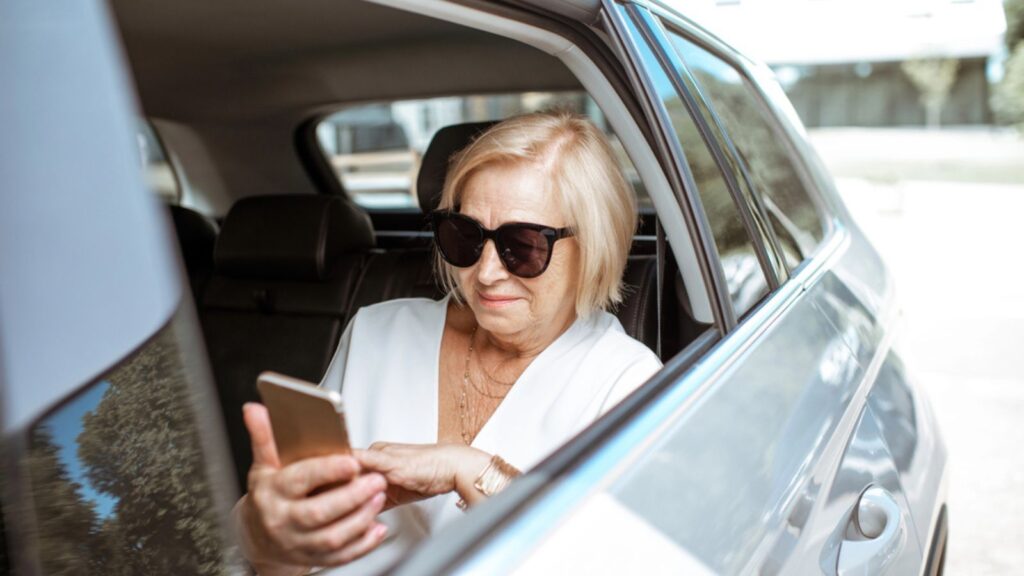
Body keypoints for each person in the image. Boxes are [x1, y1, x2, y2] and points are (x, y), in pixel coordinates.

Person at [234, 111, 662, 574]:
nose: (487, 272)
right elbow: (275, 544)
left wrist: (470, 470)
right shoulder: (377, 332)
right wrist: (269, 535)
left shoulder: (626, 381)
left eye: (523, 244)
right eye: (465, 237)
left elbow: (606, 559)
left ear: (595, 243)